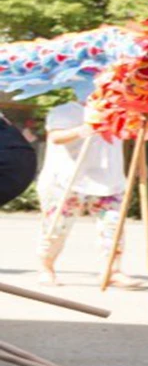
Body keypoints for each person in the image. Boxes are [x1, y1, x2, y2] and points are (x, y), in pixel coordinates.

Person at [36, 100, 139, 288]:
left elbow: (136, 132)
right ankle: (46, 267)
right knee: (57, 226)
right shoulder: (65, 110)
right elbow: (55, 137)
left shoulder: (119, 111)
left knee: (113, 226)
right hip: (67, 179)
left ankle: (113, 270)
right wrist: (85, 128)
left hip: (107, 178)